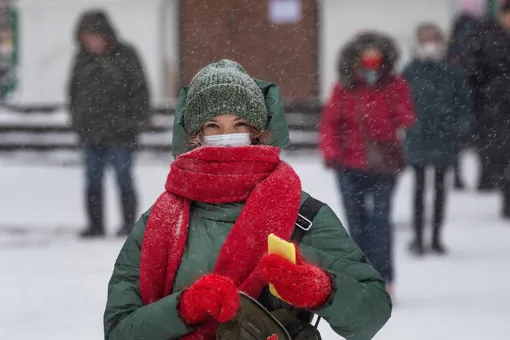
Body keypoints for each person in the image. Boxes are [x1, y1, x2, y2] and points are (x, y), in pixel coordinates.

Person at [103, 60, 392, 340]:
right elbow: (118, 329)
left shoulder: (301, 214)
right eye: (213, 126)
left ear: (257, 132)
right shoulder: (162, 219)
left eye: (239, 124)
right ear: (195, 135)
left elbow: (373, 312)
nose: (226, 136)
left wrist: (323, 290)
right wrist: (182, 309)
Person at [319, 32, 416, 294]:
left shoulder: (395, 84)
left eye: (376, 54)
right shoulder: (344, 87)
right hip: (349, 164)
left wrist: (389, 100)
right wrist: (330, 152)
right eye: (366, 54)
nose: (371, 59)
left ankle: (385, 278)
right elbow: (330, 122)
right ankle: (361, 278)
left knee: (381, 223)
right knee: (356, 223)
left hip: (383, 164)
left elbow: (407, 117)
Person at [68, 10, 149, 238]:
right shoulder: (82, 59)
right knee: (92, 180)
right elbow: (74, 92)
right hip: (91, 132)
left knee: (124, 179)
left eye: (93, 35)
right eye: (85, 37)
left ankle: (128, 225)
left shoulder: (126, 55)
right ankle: (95, 225)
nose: (90, 41)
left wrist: (134, 122)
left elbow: (140, 91)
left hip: (121, 132)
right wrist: (78, 122)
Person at [403, 23, 474, 256]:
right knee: (419, 189)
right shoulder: (411, 71)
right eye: (425, 38)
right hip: (418, 137)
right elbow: (400, 101)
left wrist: (460, 126)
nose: (429, 43)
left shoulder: (452, 72)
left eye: (433, 38)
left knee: (441, 190)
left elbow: (464, 103)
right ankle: (418, 238)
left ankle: (435, 238)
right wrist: (408, 124)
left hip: (445, 138)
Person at [463, 0, 510, 216]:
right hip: (495, 107)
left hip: (496, 104)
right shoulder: (488, 36)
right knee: (500, 153)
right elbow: (473, 70)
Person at [447, 0, 486, 190]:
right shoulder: (467, 26)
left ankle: (479, 176)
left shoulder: (469, 26)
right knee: (460, 137)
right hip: (469, 86)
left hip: (475, 87)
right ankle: (463, 176)